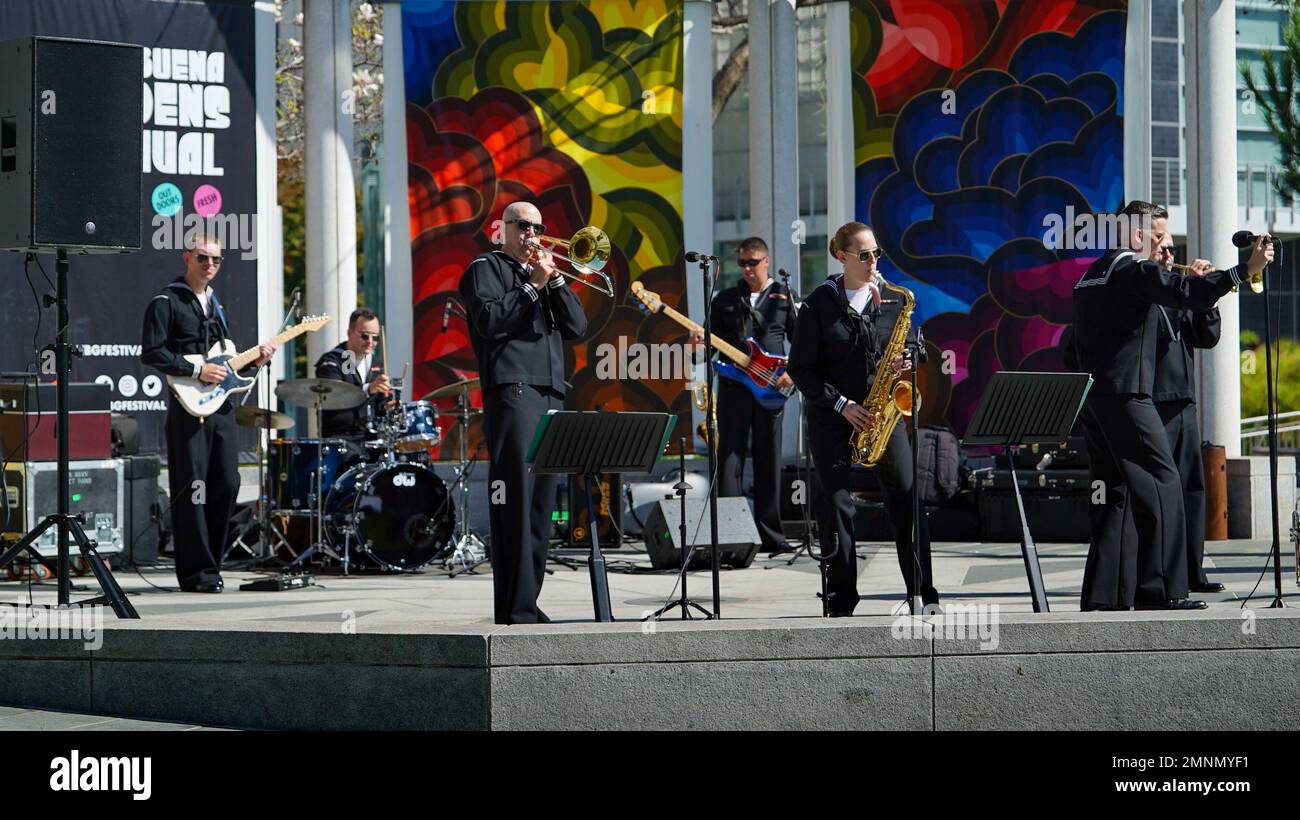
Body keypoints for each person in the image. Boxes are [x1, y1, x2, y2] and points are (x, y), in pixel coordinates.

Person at [1071, 200, 1272, 610]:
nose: (1164, 246)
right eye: (1158, 236)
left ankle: (1103, 596)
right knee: (1164, 484)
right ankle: (1160, 591)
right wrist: (1242, 271)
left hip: (1095, 399)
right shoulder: (1134, 270)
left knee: (1115, 495)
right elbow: (1186, 291)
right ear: (1138, 235)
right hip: (1128, 395)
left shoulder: (1091, 275)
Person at [787, 221, 938, 616]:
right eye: (864, 255)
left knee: (908, 499)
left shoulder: (893, 298)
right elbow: (801, 369)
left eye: (877, 253)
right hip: (833, 416)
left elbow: (911, 347)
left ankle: (923, 595)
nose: (874, 261)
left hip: (883, 415)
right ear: (841, 257)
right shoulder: (819, 303)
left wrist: (910, 358)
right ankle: (841, 600)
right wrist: (842, 405)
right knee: (836, 505)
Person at [459, 201, 588, 624]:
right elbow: (490, 321)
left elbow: (577, 328)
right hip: (515, 391)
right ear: (503, 228)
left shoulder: (542, 274)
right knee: (516, 499)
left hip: (551, 393)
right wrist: (532, 286)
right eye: (524, 226)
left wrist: (554, 284)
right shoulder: (485, 267)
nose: (533, 234)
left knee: (542, 507)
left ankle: (527, 603)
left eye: (539, 226)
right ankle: (513, 607)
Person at [141, 235, 274, 593]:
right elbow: (152, 353)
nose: (210, 265)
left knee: (228, 482)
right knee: (193, 489)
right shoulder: (166, 302)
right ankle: (196, 573)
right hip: (189, 407)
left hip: (222, 407)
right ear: (187, 258)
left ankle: (211, 565)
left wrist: (255, 361)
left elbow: (225, 363)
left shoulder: (218, 307)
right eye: (203, 258)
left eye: (216, 259)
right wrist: (194, 370)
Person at [689, 237, 796, 553]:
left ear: (766, 261)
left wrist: (793, 373)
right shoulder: (725, 298)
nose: (747, 269)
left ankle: (770, 535)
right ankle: (731, 535)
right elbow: (707, 348)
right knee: (729, 459)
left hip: (771, 388)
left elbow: (801, 340)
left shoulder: (783, 296)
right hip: (734, 388)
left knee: (769, 459)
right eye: (743, 263)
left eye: (753, 262)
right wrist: (697, 346)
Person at [1152, 273, 1225, 595]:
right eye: (1163, 244)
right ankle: (1164, 576)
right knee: (1162, 492)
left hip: (1185, 401)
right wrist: (1192, 288)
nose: (1169, 253)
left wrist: (1206, 297)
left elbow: (1207, 338)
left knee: (1192, 491)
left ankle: (1193, 570)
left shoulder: (1182, 292)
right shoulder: (1147, 285)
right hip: (1155, 400)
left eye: (1171, 247)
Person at [314, 307, 393, 441]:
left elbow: (378, 404)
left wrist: (388, 405)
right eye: (364, 335)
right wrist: (369, 389)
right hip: (340, 438)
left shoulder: (376, 363)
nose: (370, 341)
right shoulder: (335, 360)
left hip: (371, 436)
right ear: (349, 333)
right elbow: (338, 395)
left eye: (375, 337)